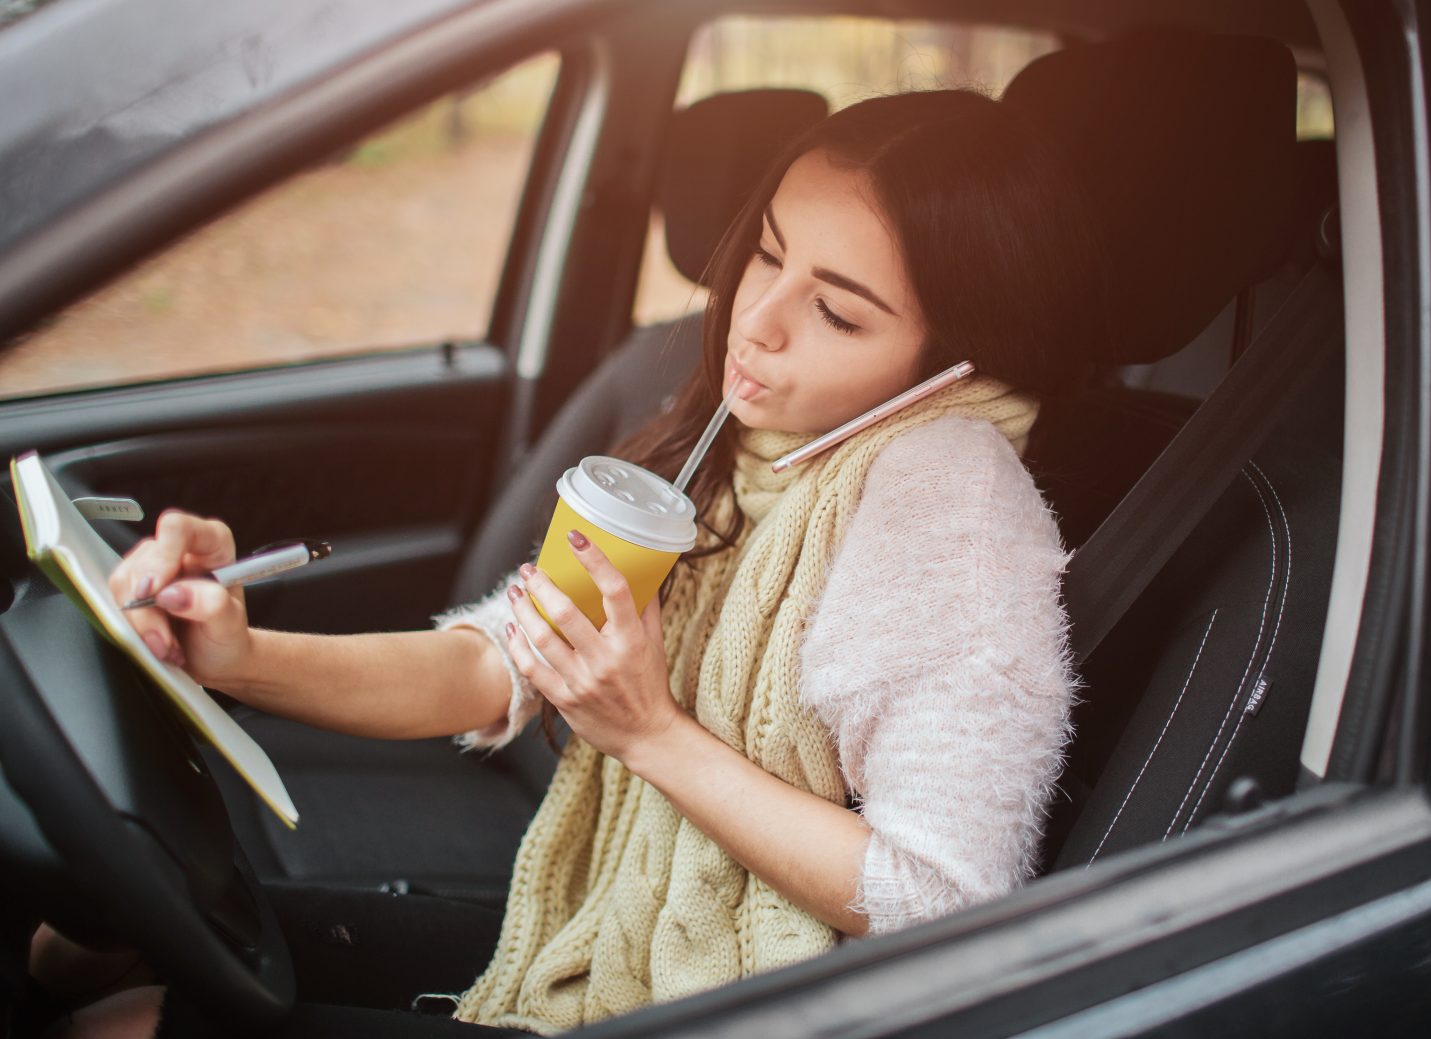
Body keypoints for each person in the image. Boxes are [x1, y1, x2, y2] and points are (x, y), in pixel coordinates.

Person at [35, 86, 1106, 1037]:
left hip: (754, 1001)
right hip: (618, 932)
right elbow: (500, 662)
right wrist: (237, 653)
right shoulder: (756, 444)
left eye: (834, 310)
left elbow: (946, 898)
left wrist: (651, 734)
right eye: (770, 253)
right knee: (123, 940)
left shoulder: (950, 511)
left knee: (137, 1018)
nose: (757, 322)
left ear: (955, 352)